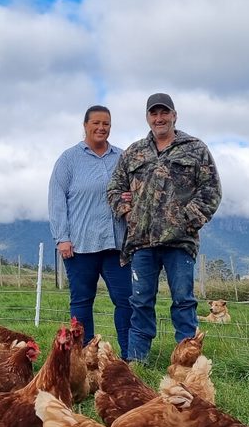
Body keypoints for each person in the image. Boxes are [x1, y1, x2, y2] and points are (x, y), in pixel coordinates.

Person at [107, 92, 221, 363]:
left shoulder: (195, 148)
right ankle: (137, 362)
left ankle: (188, 362)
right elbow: (114, 188)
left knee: (183, 301)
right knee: (140, 302)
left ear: (174, 115)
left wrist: (185, 221)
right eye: (154, 113)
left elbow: (211, 191)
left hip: (179, 243)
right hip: (141, 242)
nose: (159, 118)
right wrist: (127, 212)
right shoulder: (134, 152)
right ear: (148, 117)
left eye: (164, 113)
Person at [48, 104, 133, 355]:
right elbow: (56, 200)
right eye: (95, 123)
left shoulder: (122, 157)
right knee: (82, 302)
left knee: (126, 301)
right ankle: (84, 357)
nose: (101, 127)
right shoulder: (69, 159)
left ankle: (129, 355)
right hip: (80, 246)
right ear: (85, 125)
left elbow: (135, 189)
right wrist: (62, 238)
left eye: (105, 123)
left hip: (116, 246)